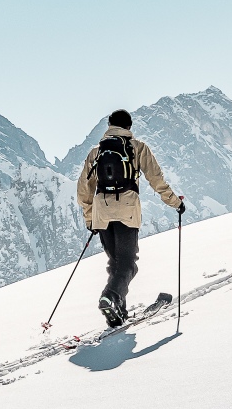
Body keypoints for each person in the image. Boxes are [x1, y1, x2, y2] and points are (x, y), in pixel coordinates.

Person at [76, 109, 185, 328]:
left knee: (115, 263)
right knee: (128, 264)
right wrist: (176, 203)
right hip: (127, 211)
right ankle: (111, 297)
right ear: (129, 127)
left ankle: (117, 313)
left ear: (109, 125)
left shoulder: (96, 152)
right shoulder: (137, 148)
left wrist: (91, 219)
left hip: (102, 213)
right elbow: (156, 180)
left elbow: (83, 190)